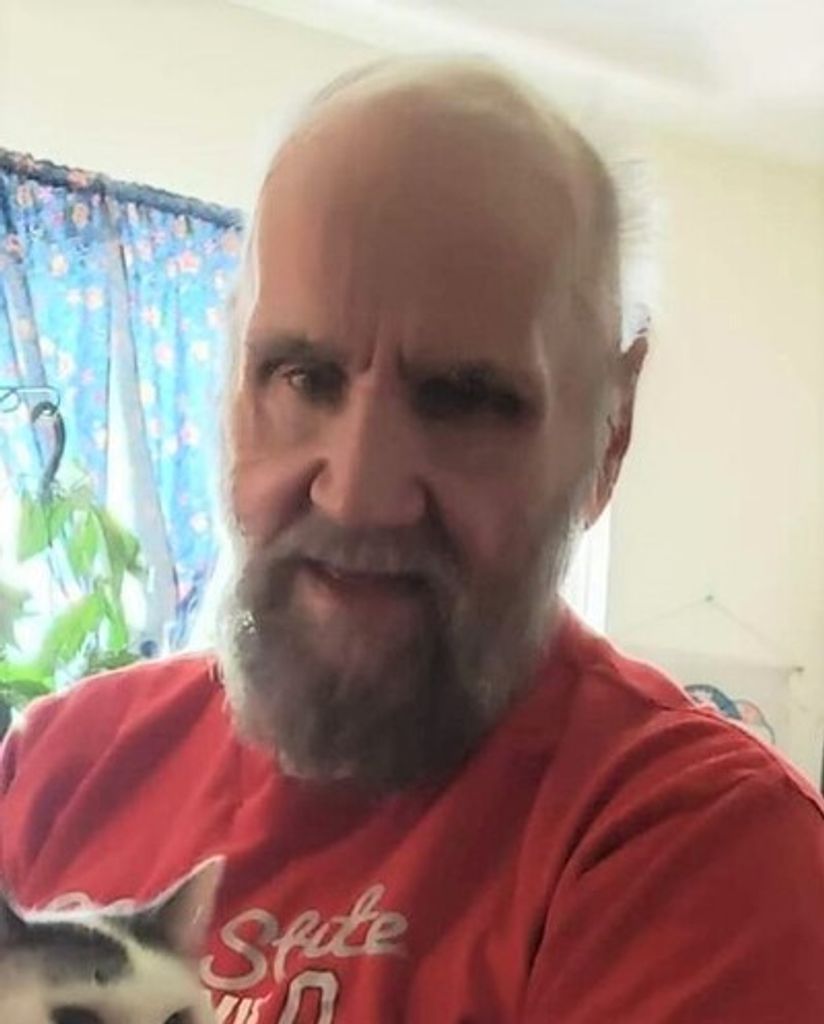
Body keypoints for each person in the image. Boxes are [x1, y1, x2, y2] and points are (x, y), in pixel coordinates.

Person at [2, 58, 823, 1023]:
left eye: (465, 399)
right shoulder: (59, 765)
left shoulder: (702, 850)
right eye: (303, 376)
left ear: (611, 431)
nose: (359, 495)